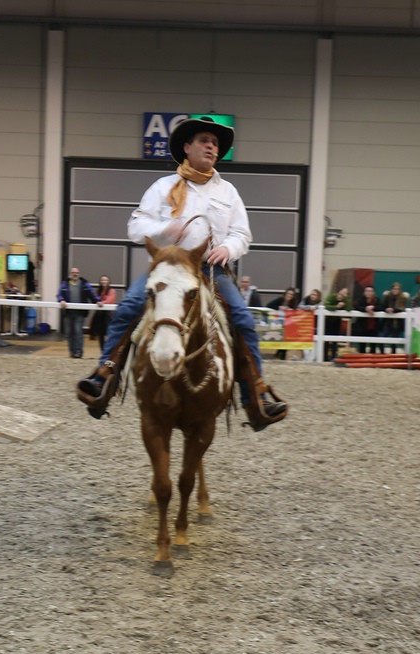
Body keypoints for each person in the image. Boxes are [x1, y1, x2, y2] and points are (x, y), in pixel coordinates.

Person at [75, 116, 286, 430]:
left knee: (241, 317)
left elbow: (242, 233)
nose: (211, 147)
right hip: (168, 265)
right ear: (187, 148)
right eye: (204, 141)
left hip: (210, 269)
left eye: (215, 143)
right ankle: (105, 375)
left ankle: (256, 393)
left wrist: (228, 248)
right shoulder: (162, 188)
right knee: (131, 306)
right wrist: (165, 227)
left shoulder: (228, 192)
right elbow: (136, 225)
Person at [57, 267, 100, 358]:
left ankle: (79, 352)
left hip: (80, 313)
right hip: (68, 313)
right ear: (70, 274)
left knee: (78, 332)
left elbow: (92, 294)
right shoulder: (64, 284)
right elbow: (59, 294)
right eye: (73, 272)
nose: (75, 274)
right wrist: (61, 300)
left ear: (79, 274)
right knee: (69, 333)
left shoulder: (84, 284)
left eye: (76, 272)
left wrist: (97, 301)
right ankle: (72, 352)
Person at [267, 287, 300, 359]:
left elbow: (296, 311)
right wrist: (279, 307)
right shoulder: (280, 300)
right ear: (285, 294)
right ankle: (279, 354)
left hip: (288, 323)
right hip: (278, 322)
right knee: (280, 337)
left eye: (291, 294)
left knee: (287, 338)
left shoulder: (294, 303)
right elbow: (269, 305)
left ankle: (281, 354)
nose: (289, 295)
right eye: (288, 293)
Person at [89, 274, 117, 352]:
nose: (104, 281)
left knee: (109, 332)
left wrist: (101, 302)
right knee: (100, 333)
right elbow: (95, 299)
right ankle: (103, 350)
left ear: (108, 282)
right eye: (102, 280)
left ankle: (110, 350)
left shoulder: (112, 291)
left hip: (109, 314)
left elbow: (110, 300)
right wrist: (98, 302)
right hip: (100, 314)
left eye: (105, 280)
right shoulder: (98, 291)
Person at [322, 286, 351, 362]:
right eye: (342, 292)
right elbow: (326, 306)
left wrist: (346, 300)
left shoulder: (345, 301)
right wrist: (336, 307)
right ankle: (324, 357)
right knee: (326, 340)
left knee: (335, 340)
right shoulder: (332, 296)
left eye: (345, 293)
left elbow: (349, 309)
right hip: (327, 321)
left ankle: (334, 356)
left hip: (337, 321)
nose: (342, 294)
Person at [379, 282, 408, 350]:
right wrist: (386, 309)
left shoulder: (402, 298)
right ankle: (382, 354)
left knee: (394, 341)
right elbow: (382, 306)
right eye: (394, 288)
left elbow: (401, 308)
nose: (396, 290)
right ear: (392, 289)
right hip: (387, 322)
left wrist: (393, 309)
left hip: (397, 323)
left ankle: (393, 354)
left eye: (397, 289)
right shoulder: (387, 297)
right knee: (382, 339)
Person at [353, 285, 381, 353]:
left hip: (373, 326)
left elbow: (382, 307)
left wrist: (373, 307)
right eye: (366, 291)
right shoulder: (361, 299)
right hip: (363, 326)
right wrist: (366, 309)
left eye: (370, 291)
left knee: (373, 345)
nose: (368, 293)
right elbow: (356, 306)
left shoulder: (377, 300)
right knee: (362, 345)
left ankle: (372, 362)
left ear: (373, 292)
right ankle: (361, 361)